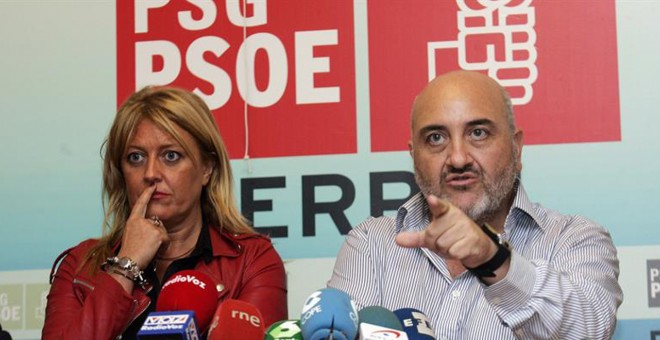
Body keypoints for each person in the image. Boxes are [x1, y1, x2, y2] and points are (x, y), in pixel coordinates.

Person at [328, 70, 622, 339]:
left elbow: (588, 329)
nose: (458, 158)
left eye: (478, 133)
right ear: (414, 155)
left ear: (516, 148)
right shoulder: (372, 243)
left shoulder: (573, 239)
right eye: (436, 138)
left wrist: (490, 258)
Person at [42, 86, 287, 339]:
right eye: (136, 157)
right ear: (120, 172)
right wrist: (126, 265)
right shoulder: (80, 265)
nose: (150, 173)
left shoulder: (253, 261)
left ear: (207, 169)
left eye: (171, 156)